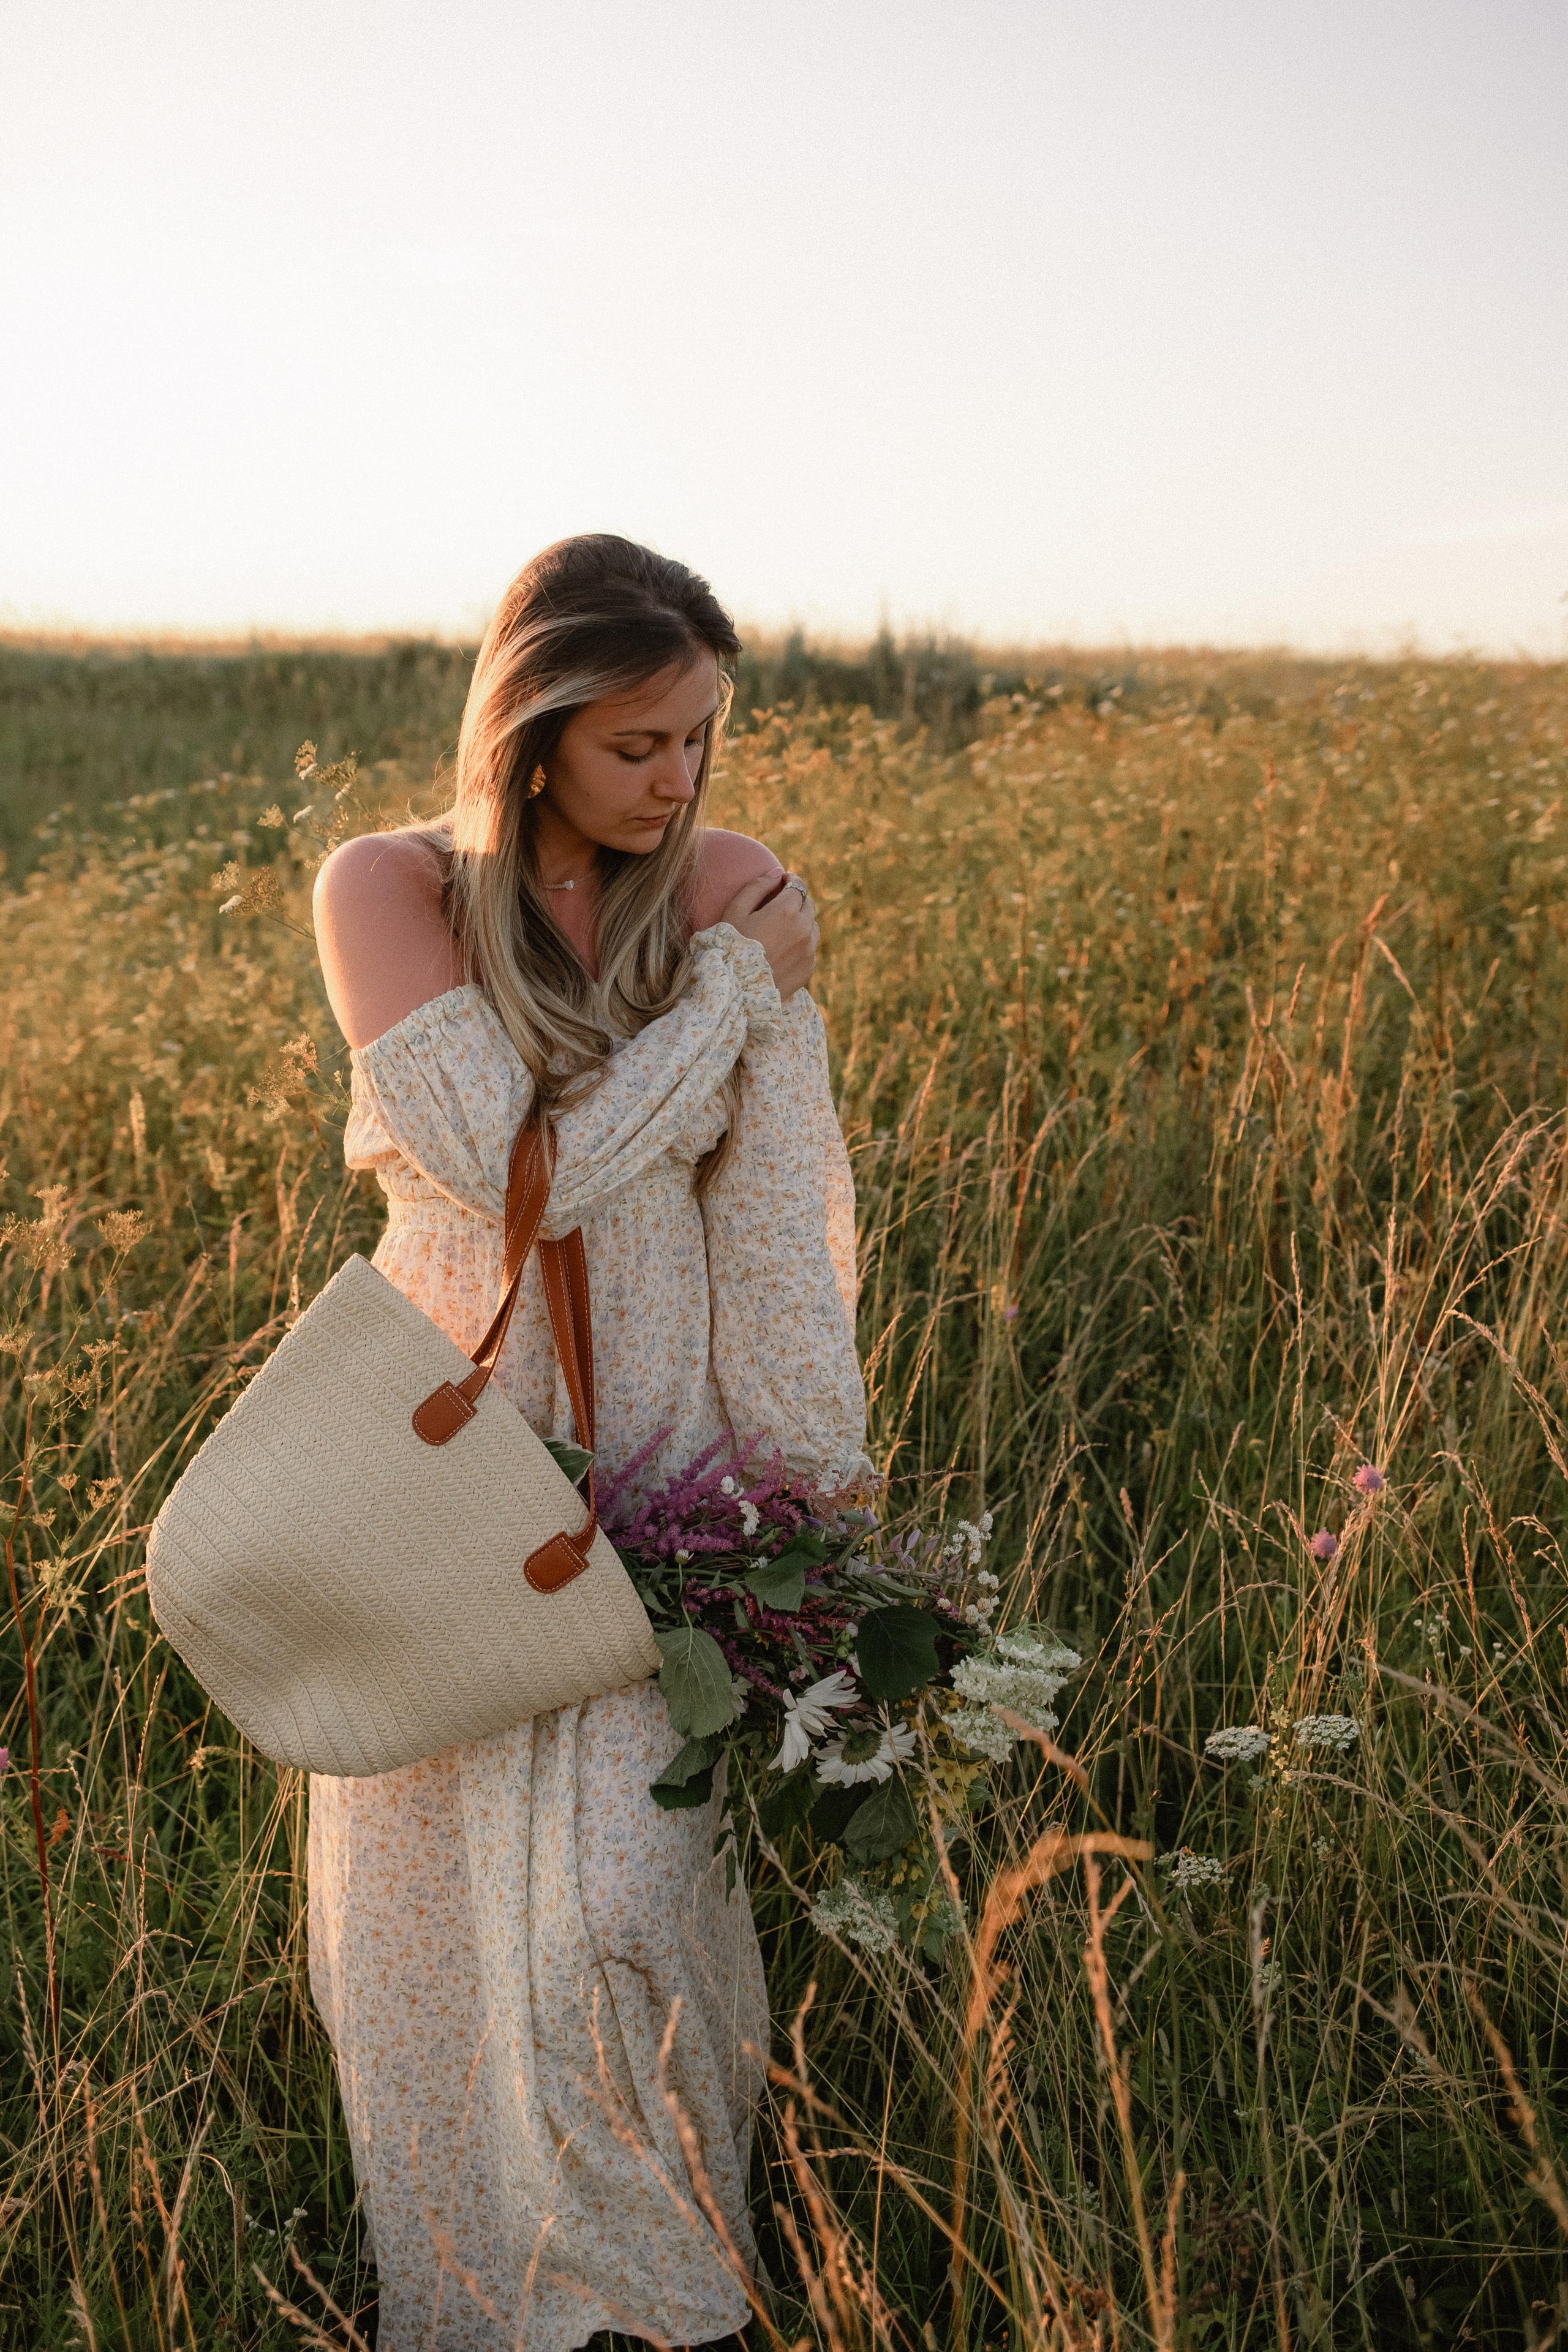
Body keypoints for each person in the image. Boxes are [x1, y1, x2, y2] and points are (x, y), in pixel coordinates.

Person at [307, 534, 870, 2351]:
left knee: (622, 1917)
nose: (685, 781)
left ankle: (667, 2309)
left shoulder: (735, 883)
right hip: (439, 1458)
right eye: (641, 744)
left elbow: (782, 1229)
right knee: (431, 1943)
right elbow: (505, 1172)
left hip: (661, 1472)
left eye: (705, 737)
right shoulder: (387, 890)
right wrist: (722, 999)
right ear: (533, 726)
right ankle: (471, 2311)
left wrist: (808, 1518)